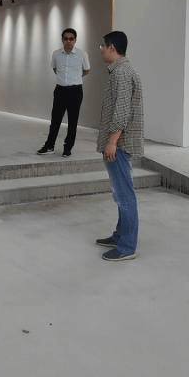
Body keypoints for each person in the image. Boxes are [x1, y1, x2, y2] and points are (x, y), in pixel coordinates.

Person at [95, 31, 144, 262]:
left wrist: (112, 141)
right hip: (119, 143)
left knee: (124, 194)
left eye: (103, 46)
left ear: (112, 48)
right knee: (120, 193)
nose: (101, 50)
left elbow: (122, 112)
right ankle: (120, 235)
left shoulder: (122, 73)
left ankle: (126, 246)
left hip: (120, 144)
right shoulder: (120, 71)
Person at [38, 28, 91, 157]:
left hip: (75, 91)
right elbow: (55, 69)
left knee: (73, 122)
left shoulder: (82, 54)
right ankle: (49, 146)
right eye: (66, 38)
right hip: (60, 90)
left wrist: (75, 78)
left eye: (71, 38)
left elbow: (86, 70)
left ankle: (68, 148)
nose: (68, 41)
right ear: (62, 40)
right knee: (55, 120)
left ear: (75, 40)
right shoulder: (56, 54)